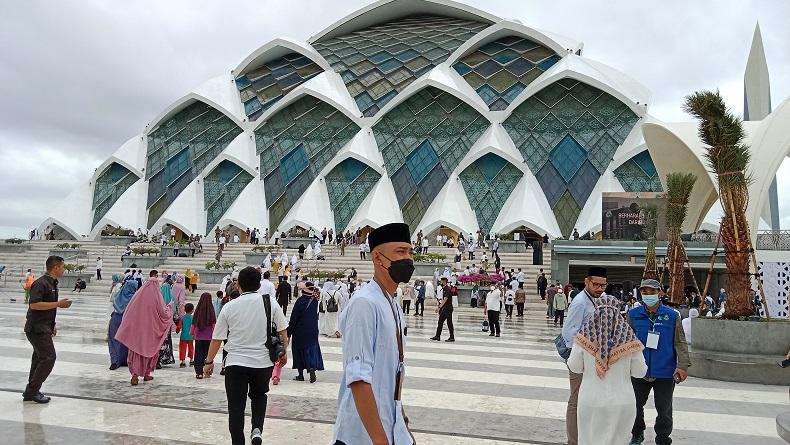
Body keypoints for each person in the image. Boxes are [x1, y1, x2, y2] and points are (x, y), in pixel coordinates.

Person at [332, 222, 416, 445]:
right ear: (378, 258)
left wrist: (403, 425)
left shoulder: (393, 303)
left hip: (390, 427)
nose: (408, 258)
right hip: (361, 435)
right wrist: (380, 440)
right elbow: (358, 377)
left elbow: (394, 371)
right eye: (400, 252)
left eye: (410, 252)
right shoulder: (365, 303)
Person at [203, 266, 289, 445]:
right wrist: (284, 352)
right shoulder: (270, 303)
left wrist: (209, 362)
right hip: (262, 362)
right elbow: (282, 330)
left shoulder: (229, 306)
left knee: (236, 406)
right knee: (259, 395)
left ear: (238, 285)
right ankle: (257, 429)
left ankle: (238, 441)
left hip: (235, 363)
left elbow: (217, 338)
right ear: (259, 284)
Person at [567, 295, 647, 445]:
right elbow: (640, 372)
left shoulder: (584, 337)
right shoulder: (629, 339)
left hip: (591, 400)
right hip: (623, 401)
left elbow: (574, 366)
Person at [626, 279, 691, 445]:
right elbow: (626, 342)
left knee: (664, 409)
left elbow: (680, 342)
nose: (648, 295)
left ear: (659, 293)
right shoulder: (633, 315)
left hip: (665, 371)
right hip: (639, 370)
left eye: (652, 291)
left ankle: (663, 438)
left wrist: (682, 366)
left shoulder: (672, 315)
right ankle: (637, 433)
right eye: (644, 292)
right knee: (634, 406)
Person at [561, 266, 608, 445]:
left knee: (588, 399)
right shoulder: (580, 302)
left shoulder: (596, 299)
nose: (599, 289)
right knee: (576, 400)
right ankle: (573, 440)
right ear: (586, 282)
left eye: (603, 285)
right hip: (579, 359)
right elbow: (569, 333)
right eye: (596, 284)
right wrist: (580, 356)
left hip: (592, 359)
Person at [23, 256, 72, 403]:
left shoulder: (52, 283)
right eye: (62, 267)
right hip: (36, 328)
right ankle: (32, 391)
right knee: (49, 358)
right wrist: (58, 304)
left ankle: (31, 391)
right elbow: (34, 305)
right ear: (55, 268)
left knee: (39, 359)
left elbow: (47, 308)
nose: (64, 270)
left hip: (44, 326)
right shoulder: (41, 283)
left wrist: (52, 324)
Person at [116, 272, 173, 386]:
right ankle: (147, 374)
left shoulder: (137, 296)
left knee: (136, 351)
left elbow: (128, 312)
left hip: (137, 331)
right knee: (150, 351)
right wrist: (170, 307)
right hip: (151, 331)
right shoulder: (157, 297)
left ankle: (135, 374)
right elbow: (164, 313)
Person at [290, 282, 325, 381]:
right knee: (311, 351)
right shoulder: (314, 301)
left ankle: (300, 375)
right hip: (312, 330)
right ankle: (311, 367)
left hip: (300, 331)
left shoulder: (300, 301)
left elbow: (294, 318)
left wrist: (289, 332)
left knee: (299, 351)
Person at [108, 277, 136, 370]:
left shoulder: (119, 295)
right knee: (126, 341)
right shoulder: (134, 298)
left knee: (114, 340)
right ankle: (125, 360)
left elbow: (112, 307)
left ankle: (115, 361)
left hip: (115, 319)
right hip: (128, 321)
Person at [191, 292, 216, 379]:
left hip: (198, 337)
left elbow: (194, 323)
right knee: (208, 354)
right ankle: (207, 371)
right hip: (209, 337)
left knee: (198, 354)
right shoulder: (211, 311)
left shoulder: (198, 310)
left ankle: (199, 373)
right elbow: (214, 324)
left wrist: (192, 333)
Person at [431, 276, 455, 342]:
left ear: (444, 282)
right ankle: (437, 336)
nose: (441, 282)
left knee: (449, 323)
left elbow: (445, 299)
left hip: (448, 308)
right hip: (444, 308)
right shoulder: (444, 288)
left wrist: (439, 307)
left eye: (442, 281)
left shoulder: (447, 289)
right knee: (440, 321)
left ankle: (452, 337)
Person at [178, 303, 195, 368]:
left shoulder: (182, 317)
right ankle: (191, 360)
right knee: (191, 348)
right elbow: (194, 327)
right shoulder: (193, 318)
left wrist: (177, 331)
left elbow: (179, 326)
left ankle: (183, 362)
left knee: (182, 349)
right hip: (190, 336)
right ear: (192, 310)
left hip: (183, 336)